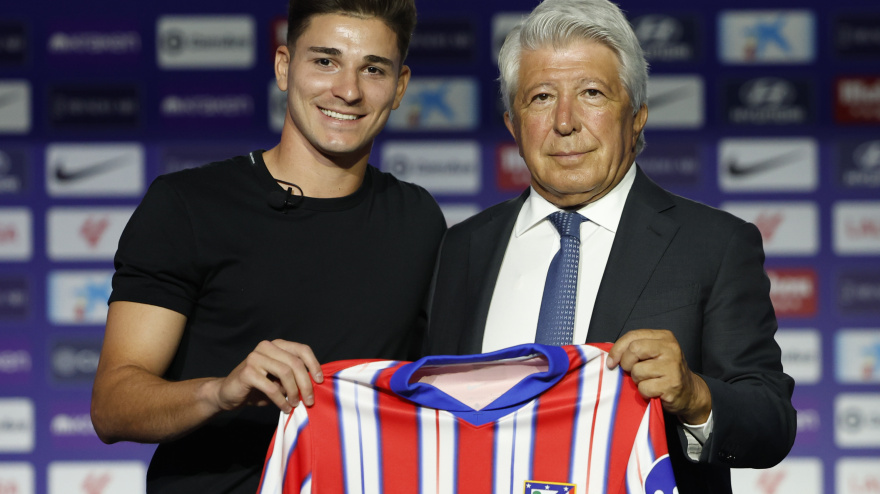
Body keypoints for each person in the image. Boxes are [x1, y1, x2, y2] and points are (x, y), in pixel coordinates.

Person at [423, 0, 796, 492]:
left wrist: (695, 396)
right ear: (513, 123)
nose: (565, 121)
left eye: (592, 93)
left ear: (637, 115)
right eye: (540, 98)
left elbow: (771, 421)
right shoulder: (463, 247)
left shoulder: (715, 244)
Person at [90, 1, 446, 493]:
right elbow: (112, 405)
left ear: (400, 87)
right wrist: (220, 392)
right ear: (284, 67)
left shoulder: (418, 219)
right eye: (325, 60)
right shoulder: (187, 206)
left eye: (373, 69)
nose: (348, 89)